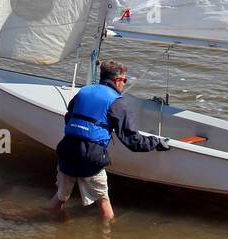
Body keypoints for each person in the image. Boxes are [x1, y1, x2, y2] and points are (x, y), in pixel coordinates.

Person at [48, 59, 169, 222]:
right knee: (103, 201)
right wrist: (156, 142)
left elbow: (69, 118)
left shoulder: (83, 91)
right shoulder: (116, 102)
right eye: (125, 80)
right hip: (91, 156)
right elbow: (132, 141)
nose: (124, 84)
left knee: (61, 197)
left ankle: (41, 220)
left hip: (67, 149)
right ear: (118, 80)